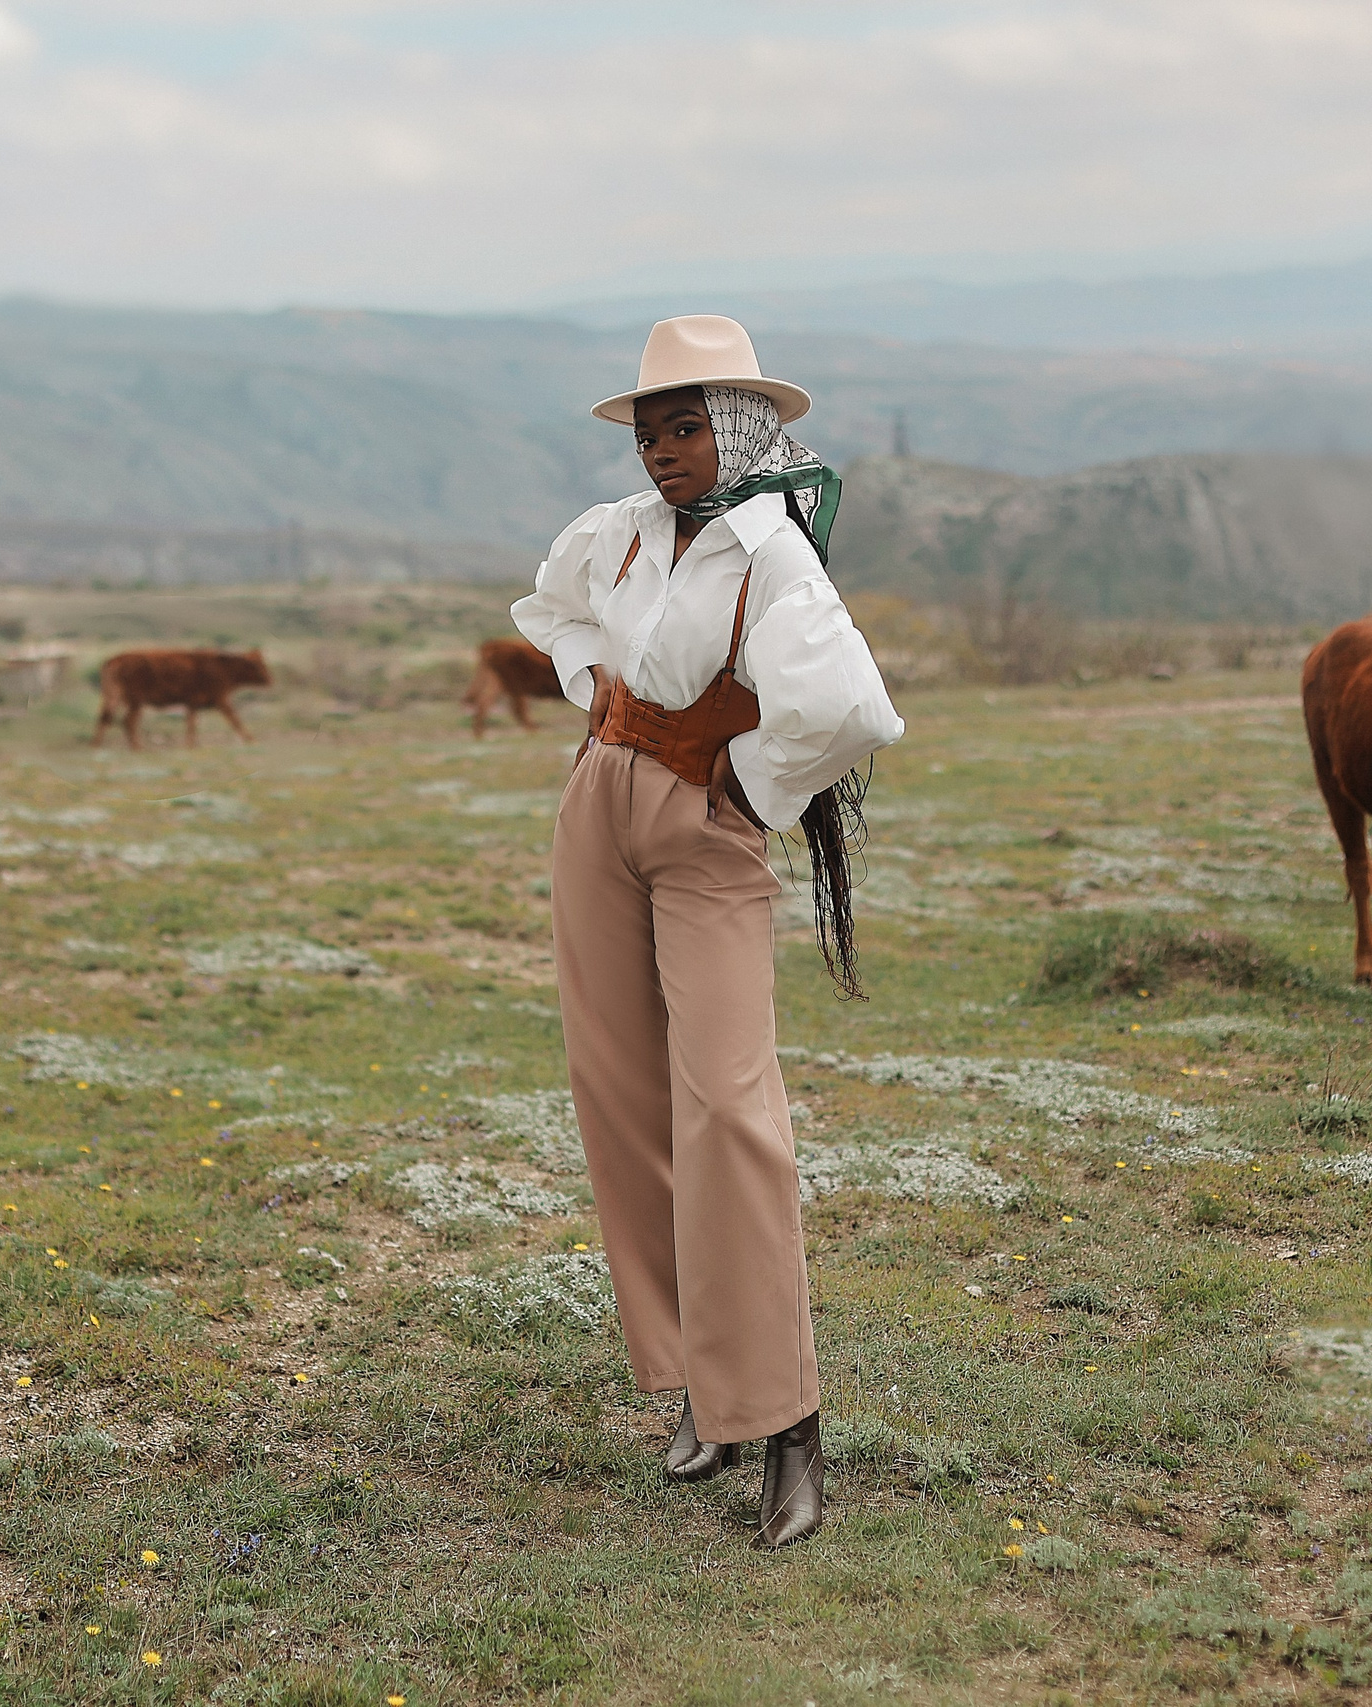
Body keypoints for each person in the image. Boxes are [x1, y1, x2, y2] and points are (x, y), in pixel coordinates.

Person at [513, 315, 904, 1549]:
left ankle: (787, 1421)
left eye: (683, 429)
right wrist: (604, 708)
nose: (660, 453)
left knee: (729, 1105)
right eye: (647, 431)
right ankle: (702, 1385)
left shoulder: (772, 553)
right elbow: (553, 614)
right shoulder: (617, 537)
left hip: (701, 828)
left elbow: (847, 707)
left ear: (738, 428)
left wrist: (738, 774)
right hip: (598, 810)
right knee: (622, 1099)